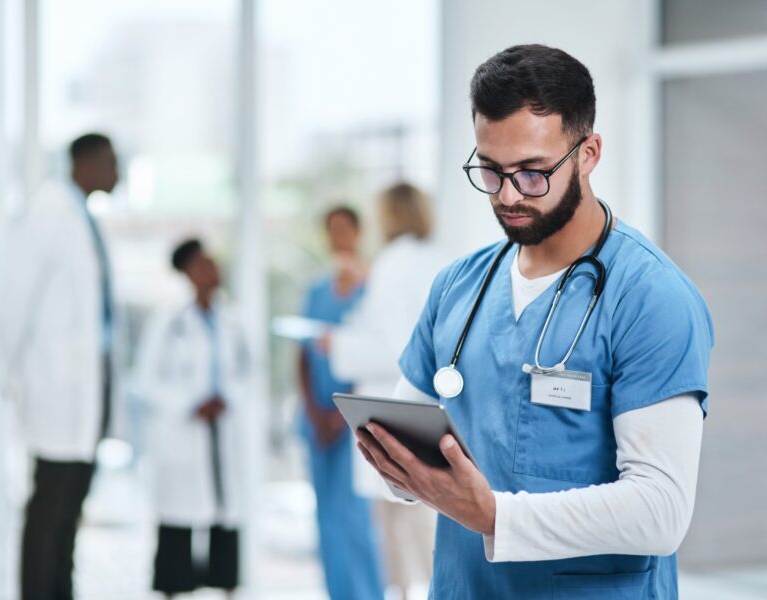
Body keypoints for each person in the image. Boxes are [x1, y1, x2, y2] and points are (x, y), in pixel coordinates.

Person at [355, 44, 714, 599]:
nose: (507, 195)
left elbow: (660, 510)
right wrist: (399, 469)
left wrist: (494, 514)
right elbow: (408, 455)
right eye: (491, 171)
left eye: (532, 172)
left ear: (588, 152)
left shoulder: (650, 298)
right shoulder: (458, 287)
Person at [0, 133, 119, 600]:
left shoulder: (82, 218)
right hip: (56, 391)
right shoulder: (48, 214)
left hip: (86, 391)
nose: (117, 172)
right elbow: (11, 305)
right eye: (111, 162)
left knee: (68, 513)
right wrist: (13, 377)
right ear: (85, 163)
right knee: (49, 510)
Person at [326, 183, 444, 599]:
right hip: (429, 414)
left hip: (393, 412)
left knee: (401, 546)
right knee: (427, 541)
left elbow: (397, 349)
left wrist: (337, 344)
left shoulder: (394, 264)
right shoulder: (436, 259)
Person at [136, 239, 248, 598]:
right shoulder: (168, 323)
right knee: (178, 525)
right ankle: (173, 590)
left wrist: (226, 399)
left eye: (212, 263)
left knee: (225, 518)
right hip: (184, 433)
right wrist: (189, 404)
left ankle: (226, 588)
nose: (211, 270)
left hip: (222, 431)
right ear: (186, 273)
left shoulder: (232, 320)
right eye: (201, 265)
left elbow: (247, 373)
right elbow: (146, 379)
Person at [297, 206, 384, 600]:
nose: (338, 237)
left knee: (357, 516)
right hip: (317, 421)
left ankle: (367, 593)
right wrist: (315, 412)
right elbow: (302, 354)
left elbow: (371, 353)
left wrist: (339, 413)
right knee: (326, 518)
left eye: (344, 228)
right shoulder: (316, 290)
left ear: (359, 232)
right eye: (330, 229)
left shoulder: (373, 288)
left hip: (353, 418)